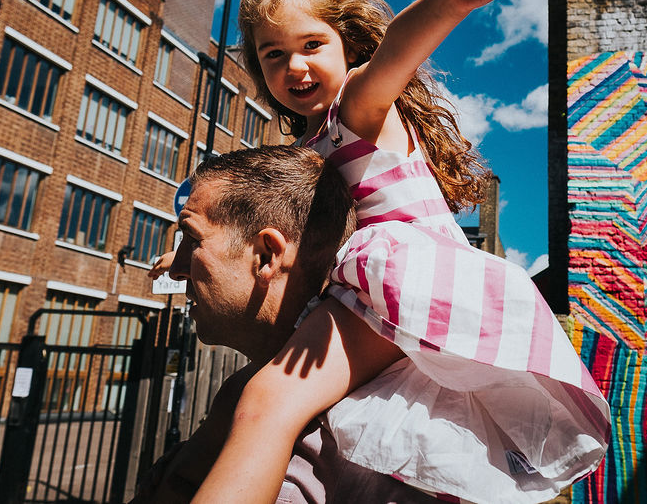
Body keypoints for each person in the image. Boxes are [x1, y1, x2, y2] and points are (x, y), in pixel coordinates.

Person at [194, 0, 611, 504]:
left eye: (312, 44)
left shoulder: (356, 110)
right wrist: (193, 253)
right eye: (273, 55)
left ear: (349, 44)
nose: (294, 67)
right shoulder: (304, 149)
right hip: (369, 296)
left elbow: (396, 52)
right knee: (397, 450)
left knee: (266, 402)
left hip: (401, 281)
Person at [131, 145, 440, 503]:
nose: (176, 268)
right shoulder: (244, 393)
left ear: (266, 256)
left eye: (192, 239)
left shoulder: (327, 456)